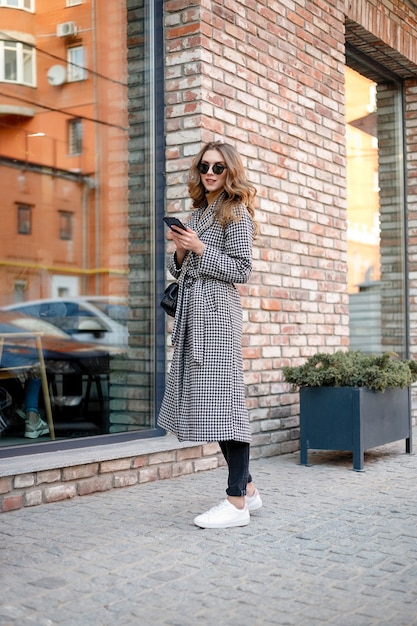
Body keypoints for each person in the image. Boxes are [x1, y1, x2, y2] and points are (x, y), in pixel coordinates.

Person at [158, 141, 262, 529]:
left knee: (226, 405)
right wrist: (182, 251)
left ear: (230, 171)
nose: (210, 173)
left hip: (216, 315)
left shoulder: (234, 212)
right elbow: (177, 270)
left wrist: (199, 247)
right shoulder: (199, 212)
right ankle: (249, 490)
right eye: (205, 166)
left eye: (219, 167)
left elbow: (241, 270)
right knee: (215, 406)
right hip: (194, 311)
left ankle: (236, 504)